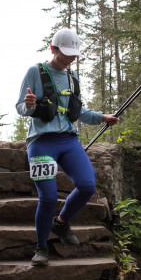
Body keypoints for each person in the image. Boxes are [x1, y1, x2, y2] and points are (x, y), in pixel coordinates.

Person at [16, 28, 119, 266]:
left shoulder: (73, 79)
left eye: (74, 55)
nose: (70, 59)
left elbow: (78, 112)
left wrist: (103, 117)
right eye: (66, 55)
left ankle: (60, 223)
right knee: (49, 197)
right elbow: (21, 107)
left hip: (69, 140)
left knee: (87, 186)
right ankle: (41, 248)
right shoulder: (35, 72)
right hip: (41, 142)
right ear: (53, 49)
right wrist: (29, 105)